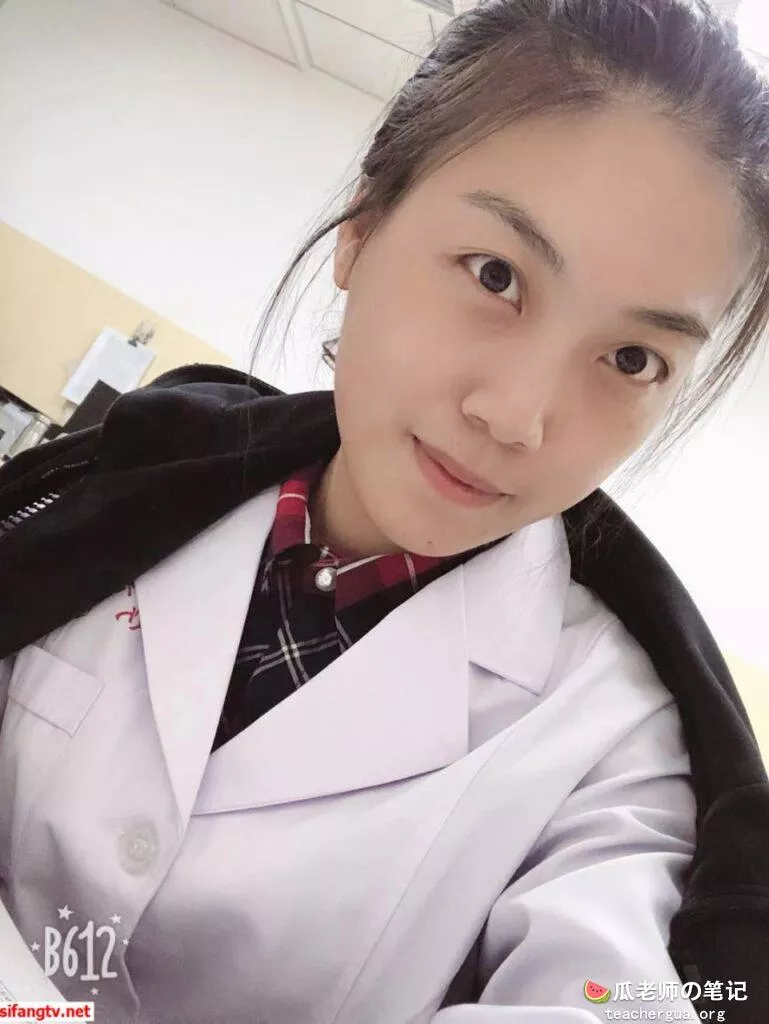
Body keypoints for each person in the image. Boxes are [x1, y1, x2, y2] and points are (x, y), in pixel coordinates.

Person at [0, 0, 768, 1021]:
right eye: (496, 275)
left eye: (631, 358)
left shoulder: (620, 753)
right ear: (362, 229)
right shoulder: (111, 496)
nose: (516, 416)